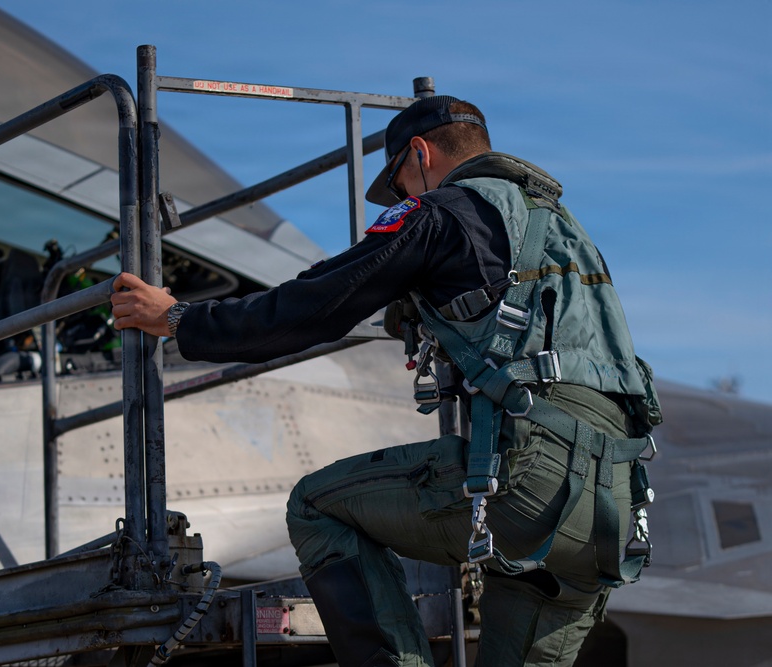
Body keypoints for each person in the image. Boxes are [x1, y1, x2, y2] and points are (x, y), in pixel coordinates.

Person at [110, 95, 659, 667]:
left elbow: (314, 305)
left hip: (532, 483)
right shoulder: (563, 234)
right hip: (613, 505)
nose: (404, 198)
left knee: (317, 507)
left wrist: (179, 319)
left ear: (419, 154)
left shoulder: (443, 211)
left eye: (399, 184)